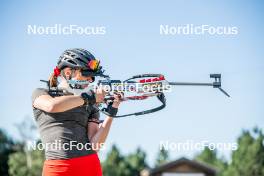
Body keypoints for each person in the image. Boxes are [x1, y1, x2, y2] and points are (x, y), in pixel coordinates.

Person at [32, 48, 121, 176]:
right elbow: (52, 106)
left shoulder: (91, 101)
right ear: (68, 72)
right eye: (86, 74)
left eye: (92, 77)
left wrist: (111, 112)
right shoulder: (42, 93)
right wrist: (89, 98)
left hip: (90, 167)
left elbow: (95, 145)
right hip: (58, 169)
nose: (91, 80)